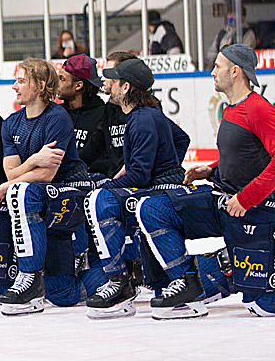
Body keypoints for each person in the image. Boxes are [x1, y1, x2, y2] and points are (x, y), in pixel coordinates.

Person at [137, 44, 275, 319]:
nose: (211, 72)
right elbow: (245, 158)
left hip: (258, 209)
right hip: (226, 201)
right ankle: (188, 284)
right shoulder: (231, 109)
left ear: (235, 71)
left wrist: (246, 198)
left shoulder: (259, 109)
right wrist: (211, 171)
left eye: (217, 66)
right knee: (153, 209)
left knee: (263, 304)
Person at [81, 57, 199, 319]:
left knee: (100, 200)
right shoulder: (145, 115)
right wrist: (166, 165)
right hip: (161, 183)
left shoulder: (141, 119)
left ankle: (118, 281)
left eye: (112, 79)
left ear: (125, 87)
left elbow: (139, 175)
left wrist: (113, 184)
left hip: (159, 190)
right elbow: (181, 139)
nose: (106, 83)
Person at [0, 58, 100, 315]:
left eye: (21, 81)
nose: (14, 86)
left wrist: (7, 186)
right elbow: (11, 171)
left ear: (39, 86)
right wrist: (34, 160)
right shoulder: (11, 123)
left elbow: (47, 174)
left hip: (71, 187)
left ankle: (32, 277)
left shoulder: (58, 118)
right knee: (60, 294)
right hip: (38, 191)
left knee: (20, 190)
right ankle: (32, 276)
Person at [57, 54, 119, 178]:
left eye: (62, 79)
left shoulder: (104, 114)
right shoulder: (57, 113)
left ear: (78, 85)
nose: (56, 84)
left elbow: (113, 159)